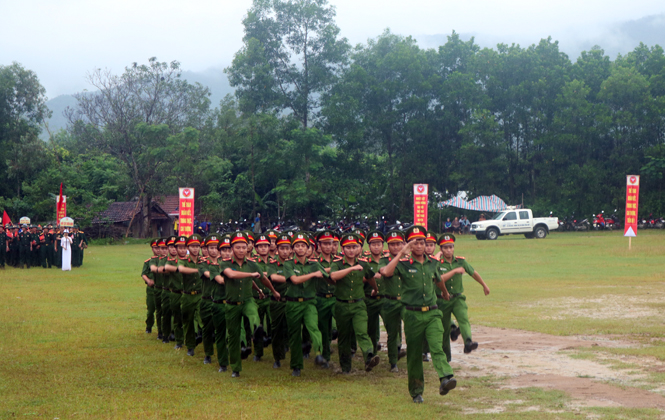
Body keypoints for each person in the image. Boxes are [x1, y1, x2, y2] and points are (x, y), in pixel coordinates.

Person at [381, 225, 457, 403]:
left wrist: (445, 293)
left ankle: (445, 377)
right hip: (412, 315)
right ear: (409, 245)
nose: (419, 246)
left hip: (432, 313)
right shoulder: (403, 264)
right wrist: (401, 253)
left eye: (422, 242)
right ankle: (416, 392)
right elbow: (386, 272)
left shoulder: (432, 263)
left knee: (436, 346)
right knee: (414, 354)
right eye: (415, 243)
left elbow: (438, 279)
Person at [222, 231, 280, 377]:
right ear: (232, 248)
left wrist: (271, 291)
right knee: (234, 337)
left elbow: (263, 279)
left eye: (244, 247)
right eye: (238, 247)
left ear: (248, 248)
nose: (241, 250)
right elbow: (232, 275)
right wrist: (251, 275)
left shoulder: (253, 264)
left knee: (253, 312)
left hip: (248, 299)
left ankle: (257, 328)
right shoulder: (225, 263)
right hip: (231, 304)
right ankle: (236, 368)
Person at [329, 233, 381, 373]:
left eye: (354, 247)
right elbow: (333, 276)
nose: (351, 250)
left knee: (362, 332)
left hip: (358, 304)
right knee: (344, 337)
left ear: (359, 248)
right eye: (348, 247)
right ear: (343, 248)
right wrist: (351, 268)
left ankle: (369, 356)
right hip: (342, 305)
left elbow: (370, 277)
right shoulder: (337, 263)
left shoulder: (364, 264)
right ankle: (345, 367)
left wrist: (375, 289)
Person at [437, 233, 490, 361]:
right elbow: (438, 279)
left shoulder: (460, 261)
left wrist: (484, 285)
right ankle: (447, 358)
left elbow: (473, 272)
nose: (449, 250)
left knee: (464, 319)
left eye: (451, 247)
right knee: (444, 331)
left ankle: (468, 342)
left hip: (457, 298)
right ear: (441, 249)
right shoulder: (437, 263)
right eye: (446, 247)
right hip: (442, 300)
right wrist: (454, 271)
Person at [282, 233, 328, 376]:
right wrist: (313, 275)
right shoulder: (288, 264)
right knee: (294, 335)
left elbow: (327, 276)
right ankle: (296, 365)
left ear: (308, 249)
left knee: (313, 327)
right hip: (293, 304)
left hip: (309, 303)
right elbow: (295, 280)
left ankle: (319, 353)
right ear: (293, 248)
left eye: (303, 246)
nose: (300, 248)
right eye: (297, 246)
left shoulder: (314, 264)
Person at [380, 230, 408, 372]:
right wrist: (399, 256)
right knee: (392, 332)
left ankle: (417, 355)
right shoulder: (384, 259)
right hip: (389, 302)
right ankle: (393, 361)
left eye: (398, 244)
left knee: (410, 327)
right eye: (392, 244)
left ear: (403, 244)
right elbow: (385, 272)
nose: (396, 247)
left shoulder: (409, 259)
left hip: (405, 302)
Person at [267, 234, 293, 369]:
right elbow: (274, 277)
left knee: (291, 329)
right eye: (282, 248)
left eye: (287, 248)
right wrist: (293, 278)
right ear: (277, 249)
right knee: (276, 330)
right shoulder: (272, 263)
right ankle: (277, 357)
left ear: (291, 250)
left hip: (291, 301)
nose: (284, 251)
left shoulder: (295, 263)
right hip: (277, 302)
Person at [314, 230, 337, 365]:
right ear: (319, 245)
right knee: (324, 329)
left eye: (330, 243)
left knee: (340, 323)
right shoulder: (314, 262)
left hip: (336, 297)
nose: (328, 247)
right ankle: (325, 357)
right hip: (321, 298)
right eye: (325, 244)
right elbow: (317, 272)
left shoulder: (339, 260)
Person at [142, 239, 159, 334]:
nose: (157, 250)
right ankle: (149, 326)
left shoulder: (165, 261)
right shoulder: (148, 262)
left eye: (159, 247)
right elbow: (143, 274)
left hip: (162, 288)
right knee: (151, 310)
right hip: (151, 289)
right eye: (155, 248)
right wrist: (148, 281)